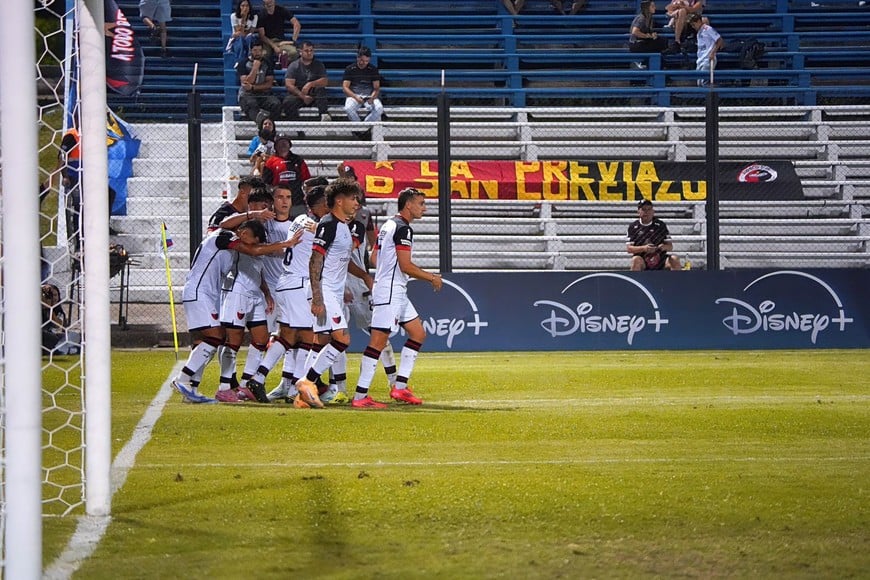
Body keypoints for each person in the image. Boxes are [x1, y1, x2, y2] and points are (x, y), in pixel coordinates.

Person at [170, 220, 302, 404]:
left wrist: (266, 292)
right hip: (218, 293)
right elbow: (251, 247)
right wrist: (285, 242)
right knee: (222, 338)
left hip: (223, 293)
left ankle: (212, 386)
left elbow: (258, 261)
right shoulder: (226, 239)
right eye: (242, 231)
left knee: (255, 338)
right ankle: (214, 385)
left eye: (247, 234)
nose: (243, 235)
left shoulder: (238, 246)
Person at [350, 187, 443, 409]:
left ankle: (400, 387)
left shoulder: (388, 225)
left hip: (395, 290)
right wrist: (432, 278)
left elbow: (374, 257)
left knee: (418, 333)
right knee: (378, 342)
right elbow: (406, 266)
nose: (424, 208)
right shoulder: (403, 229)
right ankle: (360, 396)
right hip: (390, 291)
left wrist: (387, 269)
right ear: (408, 205)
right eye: (421, 203)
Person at [245, 186, 331, 406]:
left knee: (288, 336)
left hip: (286, 283)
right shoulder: (316, 227)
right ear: (323, 205)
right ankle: (297, 388)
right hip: (297, 285)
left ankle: (259, 378)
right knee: (308, 335)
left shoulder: (300, 220)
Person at [293, 178, 373, 409]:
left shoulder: (342, 226)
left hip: (334, 291)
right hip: (325, 290)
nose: (357, 203)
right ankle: (307, 382)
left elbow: (343, 262)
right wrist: (318, 297)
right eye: (353, 199)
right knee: (343, 339)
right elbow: (315, 260)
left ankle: (302, 396)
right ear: (339, 200)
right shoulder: (329, 224)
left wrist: (363, 276)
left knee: (323, 340)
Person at [262, 134, 311, 218]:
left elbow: (307, 180)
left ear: (289, 145)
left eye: (285, 142)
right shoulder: (270, 162)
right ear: (276, 146)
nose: (283, 144)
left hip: (297, 201)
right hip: (279, 203)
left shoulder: (298, 160)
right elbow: (266, 183)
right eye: (280, 142)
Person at [281, 41, 330, 122]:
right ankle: (295, 124)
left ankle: (324, 116)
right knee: (288, 102)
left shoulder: (319, 64)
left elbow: (325, 81)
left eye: (311, 50)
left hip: (314, 94)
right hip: (298, 94)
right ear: (300, 52)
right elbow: (289, 84)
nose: (309, 53)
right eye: (306, 51)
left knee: (320, 90)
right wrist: (303, 96)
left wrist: (310, 84)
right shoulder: (294, 65)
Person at [627, 199, 681, 271]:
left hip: (660, 258)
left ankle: (676, 278)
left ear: (653, 211)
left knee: (674, 259)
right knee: (635, 260)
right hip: (643, 259)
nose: (646, 212)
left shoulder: (660, 225)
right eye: (643, 209)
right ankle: (635, 278)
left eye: (649, 209)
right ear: (638, 212)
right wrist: (644, 248)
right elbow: (629, 249)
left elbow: (670, 247)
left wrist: (663, 247)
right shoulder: (633, 226)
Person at [236, 39, 281, 123]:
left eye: (260, 50)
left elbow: (269, 84)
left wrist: (253, 87)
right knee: (251, 104)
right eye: (255, 50)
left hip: (263, 94)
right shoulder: (243, 63)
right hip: (247, 95)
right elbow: (246, 84)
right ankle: (261, 124)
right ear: (251, 51)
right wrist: (255, 68)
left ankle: (270, 124)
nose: (257, 53)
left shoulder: (267, 63)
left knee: (276, 103)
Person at [342, 46, 383, 129]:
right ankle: (360, 126)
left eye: (366, 61)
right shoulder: (350, 69)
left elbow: (376, 88)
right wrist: (355, 97)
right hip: (354, 95)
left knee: (379, 108)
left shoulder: (373, 69)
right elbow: (345, 87)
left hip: (369, 96)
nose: (363, 63)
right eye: (361, 60)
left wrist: (372, 98)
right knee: (348, 108)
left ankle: (363, 127)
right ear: (357, 58)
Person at [257, 0, 301, 68]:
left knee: (294, 52)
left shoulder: (281, 10)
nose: (269, 4)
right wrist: (274, 46)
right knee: (264, 55)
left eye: (270, 2)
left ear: (274, 1)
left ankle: (285, 66)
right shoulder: (261, 15)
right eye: (267, 3)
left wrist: (293, 40)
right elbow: (262, 36)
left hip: (281, 41)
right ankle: (269, 70)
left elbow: (296, 24)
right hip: (267, 42)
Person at [629, 0, 668, 65]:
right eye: (652, 6)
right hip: (636, 44)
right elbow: (635, 31)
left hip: (643, 42)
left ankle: (653, 62)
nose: (655, 8)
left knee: (661, 40)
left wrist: (652, 35)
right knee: (661, 43)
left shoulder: (650, 18)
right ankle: (645, 62)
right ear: (647, 8)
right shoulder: (641, 18)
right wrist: (647, 36)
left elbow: (647, 31)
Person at [689, 13, 723, 86]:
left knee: (704, 82)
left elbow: (719, 40)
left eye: (693, 24)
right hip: (700, 59)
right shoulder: (699, 32)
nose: (693, 27)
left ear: (698, 21)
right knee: (699, 83)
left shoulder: (708, 29)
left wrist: (713, 52)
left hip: (708, 59)